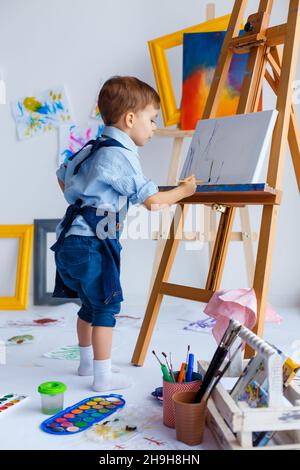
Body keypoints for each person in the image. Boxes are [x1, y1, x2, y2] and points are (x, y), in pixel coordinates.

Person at [52, 76, 196, 392]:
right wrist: (185, 191)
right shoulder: (121, 154)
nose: (155, 127)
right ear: (130, 119)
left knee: (88, 306)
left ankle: (86, 364)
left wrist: (83, 198)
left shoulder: (90, 148)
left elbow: (62, 176)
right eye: (152, 119)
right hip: (94, 243)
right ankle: (102, 378)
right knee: (105, 308)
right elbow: (153, 201)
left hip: (67, 242)